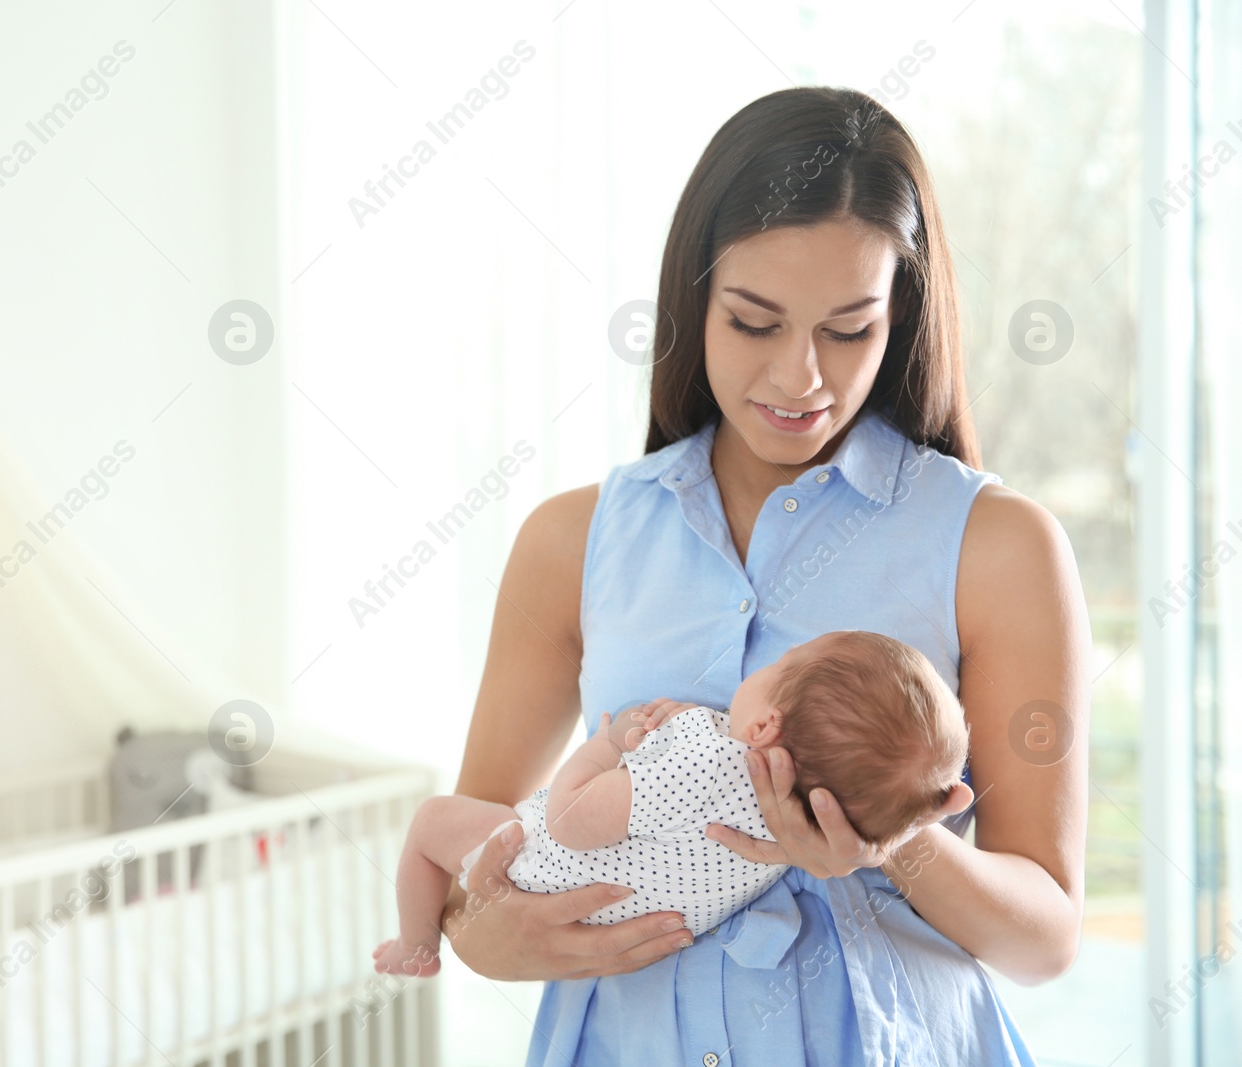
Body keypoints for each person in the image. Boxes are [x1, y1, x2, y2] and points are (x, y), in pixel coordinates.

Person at [439, 85, 1090, 1065]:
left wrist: (892, 841)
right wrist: (480, 932)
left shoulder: (998, 545)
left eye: (847, 328)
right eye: (753, 322)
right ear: (693, 298)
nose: (800, 379)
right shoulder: (570, 540)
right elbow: (472, 865)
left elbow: (1044, 937)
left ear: (900, 314)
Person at [372, 630, 970, 977]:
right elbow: (692, 790)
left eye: (781, 665)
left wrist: (605, 746)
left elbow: (570, 820)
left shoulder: (706, 760)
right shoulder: (797, 823)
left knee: (432, 822)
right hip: (622, 920)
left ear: (764, 726)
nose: (770, 664)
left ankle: (416, 946)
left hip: (542, 873)